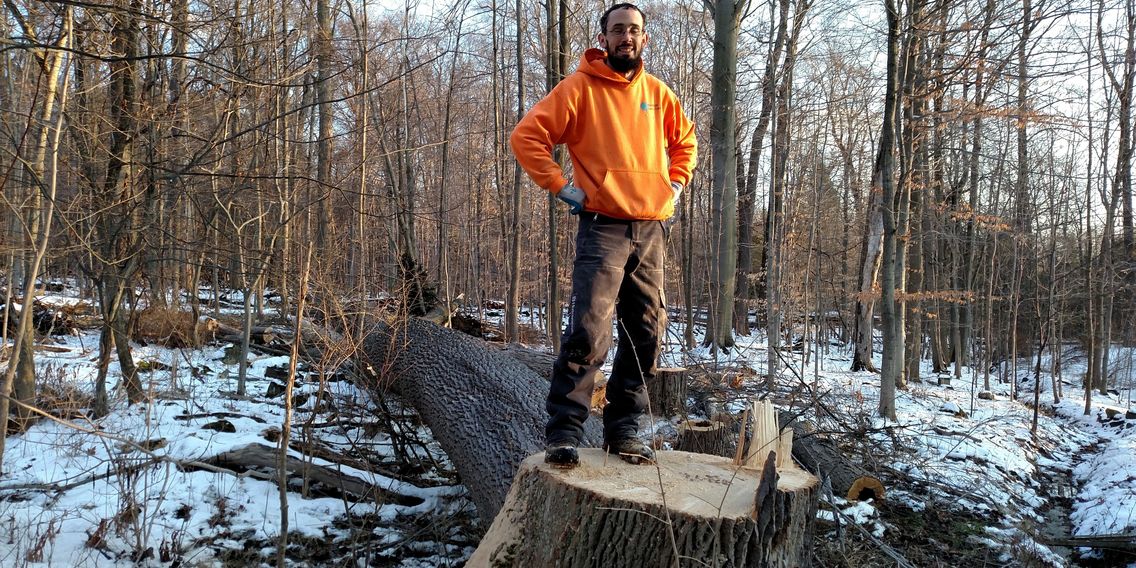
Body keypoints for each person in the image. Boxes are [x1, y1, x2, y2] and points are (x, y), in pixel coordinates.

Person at [510, 3, 697, 467]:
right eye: (618, 30)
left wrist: (675, 184)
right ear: (605, 37)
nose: (626, 37)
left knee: (647, 332)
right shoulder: (579, 89)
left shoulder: (659, 93)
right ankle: (564, 433)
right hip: (602, 227)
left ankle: (624, 429)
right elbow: (527, 136)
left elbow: (686, 142)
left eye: (634, 30)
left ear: (644, 38)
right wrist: (561, 187)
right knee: (589, 332)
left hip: (651, 228)